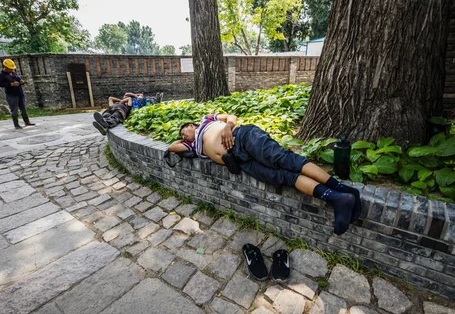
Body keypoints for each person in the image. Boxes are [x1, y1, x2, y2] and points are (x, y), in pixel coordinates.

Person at [169, 114, 361, 235]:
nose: (183, 135)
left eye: (184, 130)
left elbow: (232, 117)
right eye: (182, 135)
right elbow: (172, 147)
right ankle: (338, 198)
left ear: (192, 125)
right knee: (282, 177)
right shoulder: (192, 146)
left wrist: (228, 126)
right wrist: (184, 139)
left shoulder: (206, 120)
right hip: (242, 162)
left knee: (285, 160)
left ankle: (343, 189)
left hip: (242, 137)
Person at [92, 92, 161, 135]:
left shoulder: (127, 106)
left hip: (121, 111)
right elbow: (110, 98)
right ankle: (103, 124)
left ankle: (106, 124)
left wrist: (121, 102)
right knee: (106, 114)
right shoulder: (114, 105)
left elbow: (129, 99)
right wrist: (119, 101)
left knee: (116, 116)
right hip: (111, 109)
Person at [0, 59, 35, 130]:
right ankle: (16, 124)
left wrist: (21, 81)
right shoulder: (1, 75)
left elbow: (18, 79)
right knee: (14, 110)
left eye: (12, 69)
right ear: (5, 67)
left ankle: (27, 122)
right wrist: (11, 84)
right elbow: (0, 84)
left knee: (23, 108)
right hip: (11, 95)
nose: (11, 70)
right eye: (10, 69)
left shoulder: (14, 73)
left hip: (19, 93)